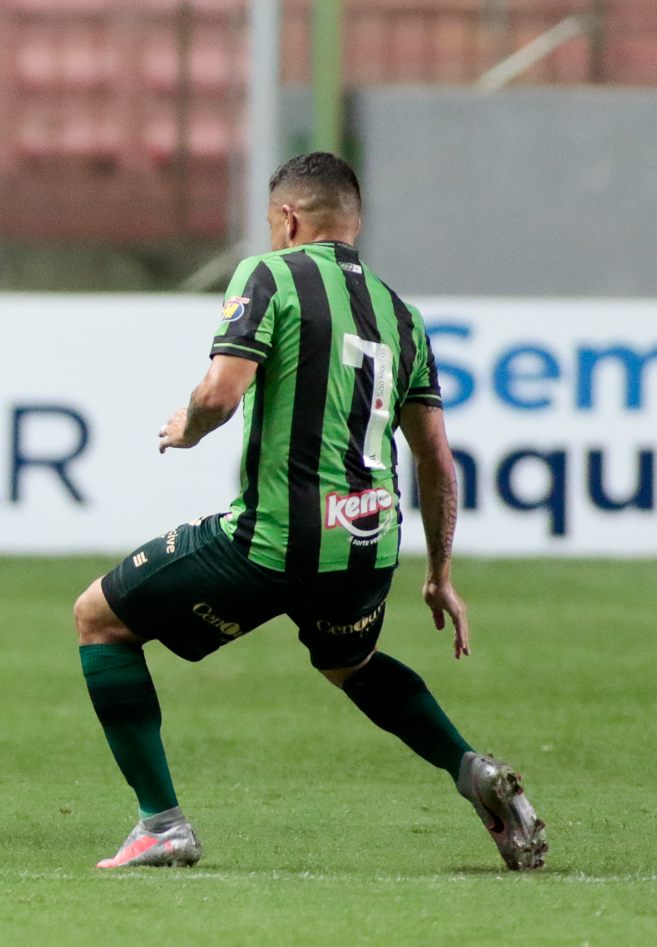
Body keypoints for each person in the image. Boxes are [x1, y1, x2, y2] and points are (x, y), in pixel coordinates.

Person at [73, 152, 546, 871]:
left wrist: (188, 429)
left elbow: (220, 393)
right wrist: (440, 572)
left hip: (275, 541)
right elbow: (438, 461)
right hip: (368, 546)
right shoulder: (401, 314)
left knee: (99, 619)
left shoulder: (271, 276)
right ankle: (469, 769)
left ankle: (162, 822)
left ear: (288, 219)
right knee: (348, 658)